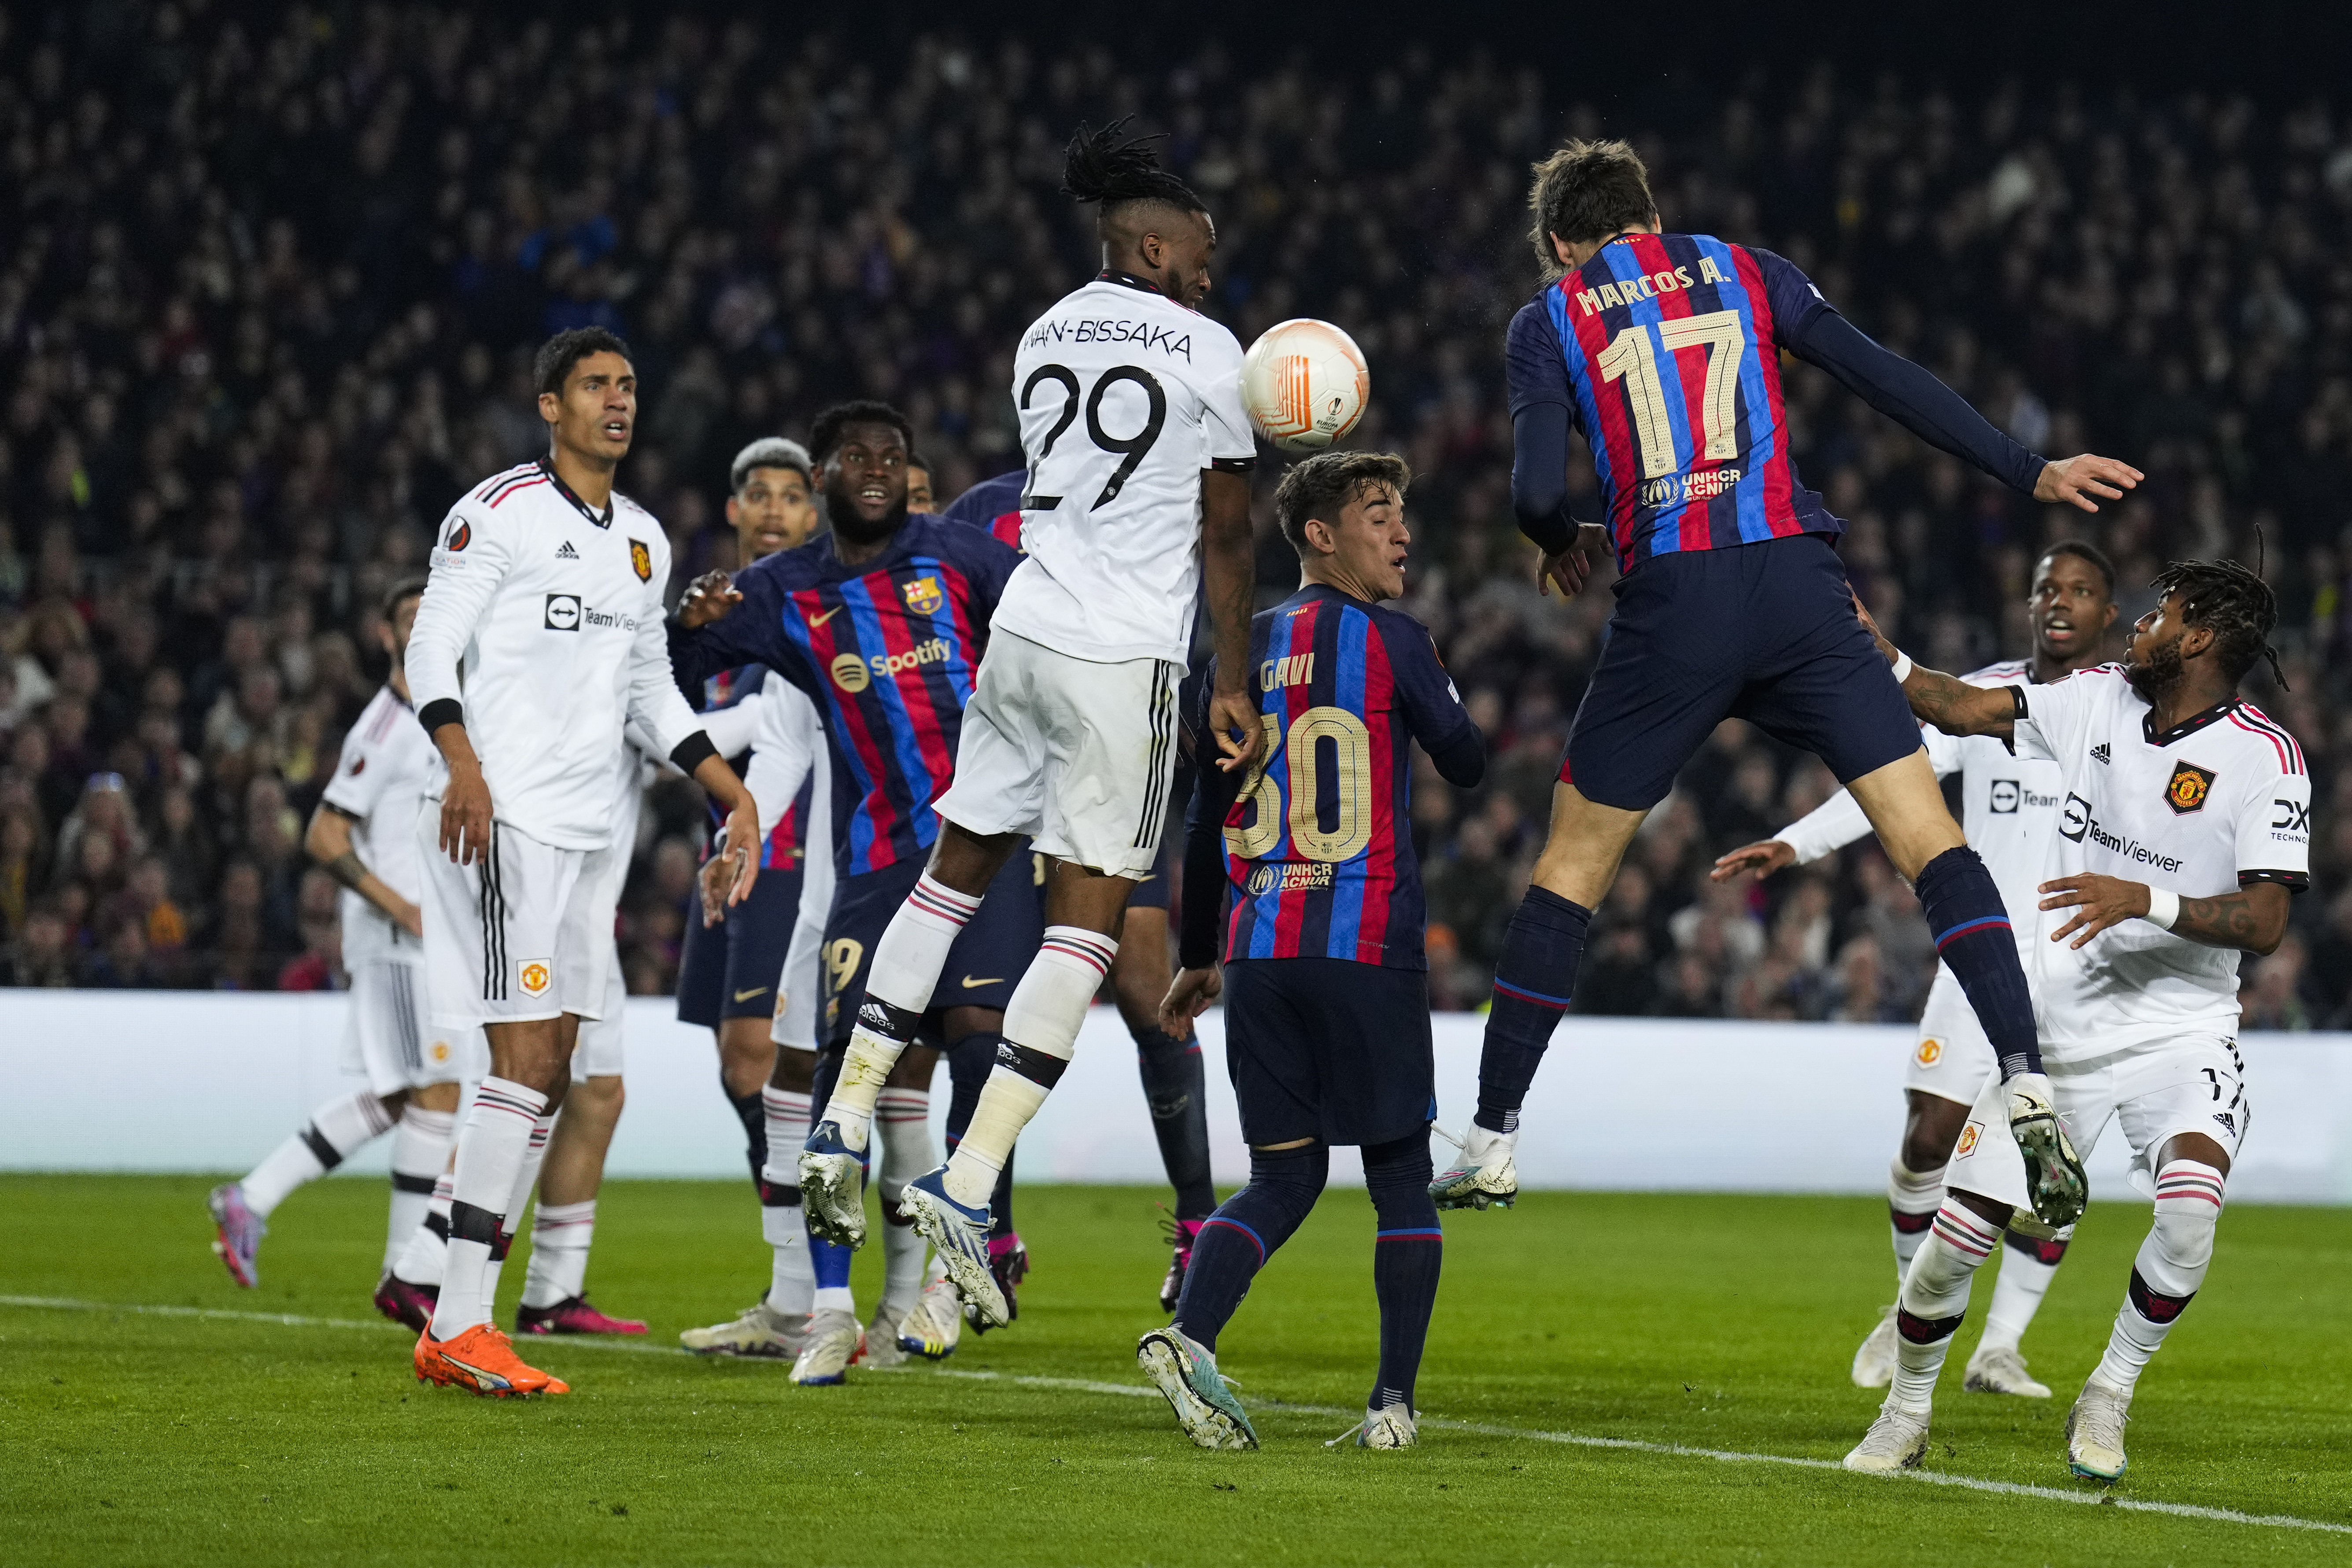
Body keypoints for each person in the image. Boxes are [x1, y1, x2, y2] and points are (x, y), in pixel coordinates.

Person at [1433, 138, 2140, 1235]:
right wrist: (2026, 468)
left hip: (1674, 600)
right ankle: (2025, 1079)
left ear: (1563, 244)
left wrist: (1561, 534)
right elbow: (1882, 374)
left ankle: (1492, 1138)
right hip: (1800, 587)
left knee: (1570, 872)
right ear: (1651, 214)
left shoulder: (1550, 315)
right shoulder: (1747, 268)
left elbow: (1533, 487)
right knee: (1932, 844)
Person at [792, 120, 1263, 1324]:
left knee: (951, 874)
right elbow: (1219, 530)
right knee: (1092, 929)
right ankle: (967, 1177)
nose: (1209, 272)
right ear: (1150, 245)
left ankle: (843, 1117)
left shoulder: (1043, 331)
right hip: (1120, 655)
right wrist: (1231, 676)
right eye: (1197, 252)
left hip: (1019, 641)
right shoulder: (1212, 350)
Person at [1840, 558, 2308, 1480]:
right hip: (2058, 1035)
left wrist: (2143, 897)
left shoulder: (2265, 756)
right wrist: (1874, 647)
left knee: (2187, 1216)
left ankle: (2110, 1391)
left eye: (2160, 613)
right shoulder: (2092, 698)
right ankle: (1905, 1411)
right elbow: (1955, 706)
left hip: (2181, 1031)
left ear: (2200, 639)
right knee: (1947, 1253)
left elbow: (2265, 919)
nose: (2138, 622)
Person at [403, 326, 758, 1398]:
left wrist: (728, 789)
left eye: (629, 385)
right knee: (521, 1058)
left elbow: (649, 689)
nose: (619, 400)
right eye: (597, 385)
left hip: (583, 829)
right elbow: (430, 642)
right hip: (501, 816)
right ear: (549, 404)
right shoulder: (497, 510)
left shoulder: (642, 541)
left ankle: (455, 1305)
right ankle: (458, 1316)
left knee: (549, 1062)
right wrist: (462, 762)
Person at [667, 399, 1039, 1369]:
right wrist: (692, 624)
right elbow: (680, 671)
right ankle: (829, 1309)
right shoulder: (785, 588)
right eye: (855, 455)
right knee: (846, 1073)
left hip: (985, 848)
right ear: (827, 471)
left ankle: (965, 1261)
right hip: (874, 866)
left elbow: (1048, 638)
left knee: (979, 1048)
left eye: (893, 455)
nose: (875, 467)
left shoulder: (961, 559)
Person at [1713, 541, 2120, 1398]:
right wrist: (1797, 839)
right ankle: (1908, 1314)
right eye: (2047, 585)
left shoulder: (2127, 716)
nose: (2059, 601)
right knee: (1925, 1138)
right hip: (1982, 961)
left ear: (2106, 614)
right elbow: (1885, 775)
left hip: (2087, 976)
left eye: (2080, 590)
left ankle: (1999, 1344)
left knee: (2049, 1167)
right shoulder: (1981, 700)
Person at [1143, 452, 1482, 1451]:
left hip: (1257, 952)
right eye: (1380, 513)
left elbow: (1205, 819)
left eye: (1403, 514)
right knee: (1398, 1178)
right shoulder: (1392, 638)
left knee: (1282, 1177)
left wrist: (1200, 949)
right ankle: (1391, 1405)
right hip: (1362, 937)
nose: (1402, 532)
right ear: (1321, 537)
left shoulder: (1232, 663)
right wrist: (1436, 684)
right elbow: (1465, 763)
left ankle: (1191, 1338)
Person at [938, 465, 1218, 1309]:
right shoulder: (980, 512)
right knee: (987, 1011)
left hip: (1117, 748)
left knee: (1146, 990)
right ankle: (993, 1229)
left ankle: (1199, 1221)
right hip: (1014, 772)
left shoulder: (1148, 490)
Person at [207, 578, 476, 1297]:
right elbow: (325, 835)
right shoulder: (385, 727)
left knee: (407, 1095)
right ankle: (405, 1276)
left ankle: (254, 1198)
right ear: (386, 637)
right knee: (439, 1089)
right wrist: (405, 908)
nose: (423, 630)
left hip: (427, 936)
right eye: (408, 620)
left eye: (433, 616)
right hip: (397, 937)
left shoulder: (446, 716)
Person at [672, 437, 826, 1350]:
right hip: (730, 839)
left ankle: (808, 1284)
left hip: (792, 836)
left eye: (791, 496)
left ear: (813, 514)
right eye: (756, 493)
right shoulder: (710, 614)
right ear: (732, 510)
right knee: (743, 1069)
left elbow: (768, 727)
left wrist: (665, 730)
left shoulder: (805, 604)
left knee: (759, 1055)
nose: (772, 510)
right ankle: (793, 1278)